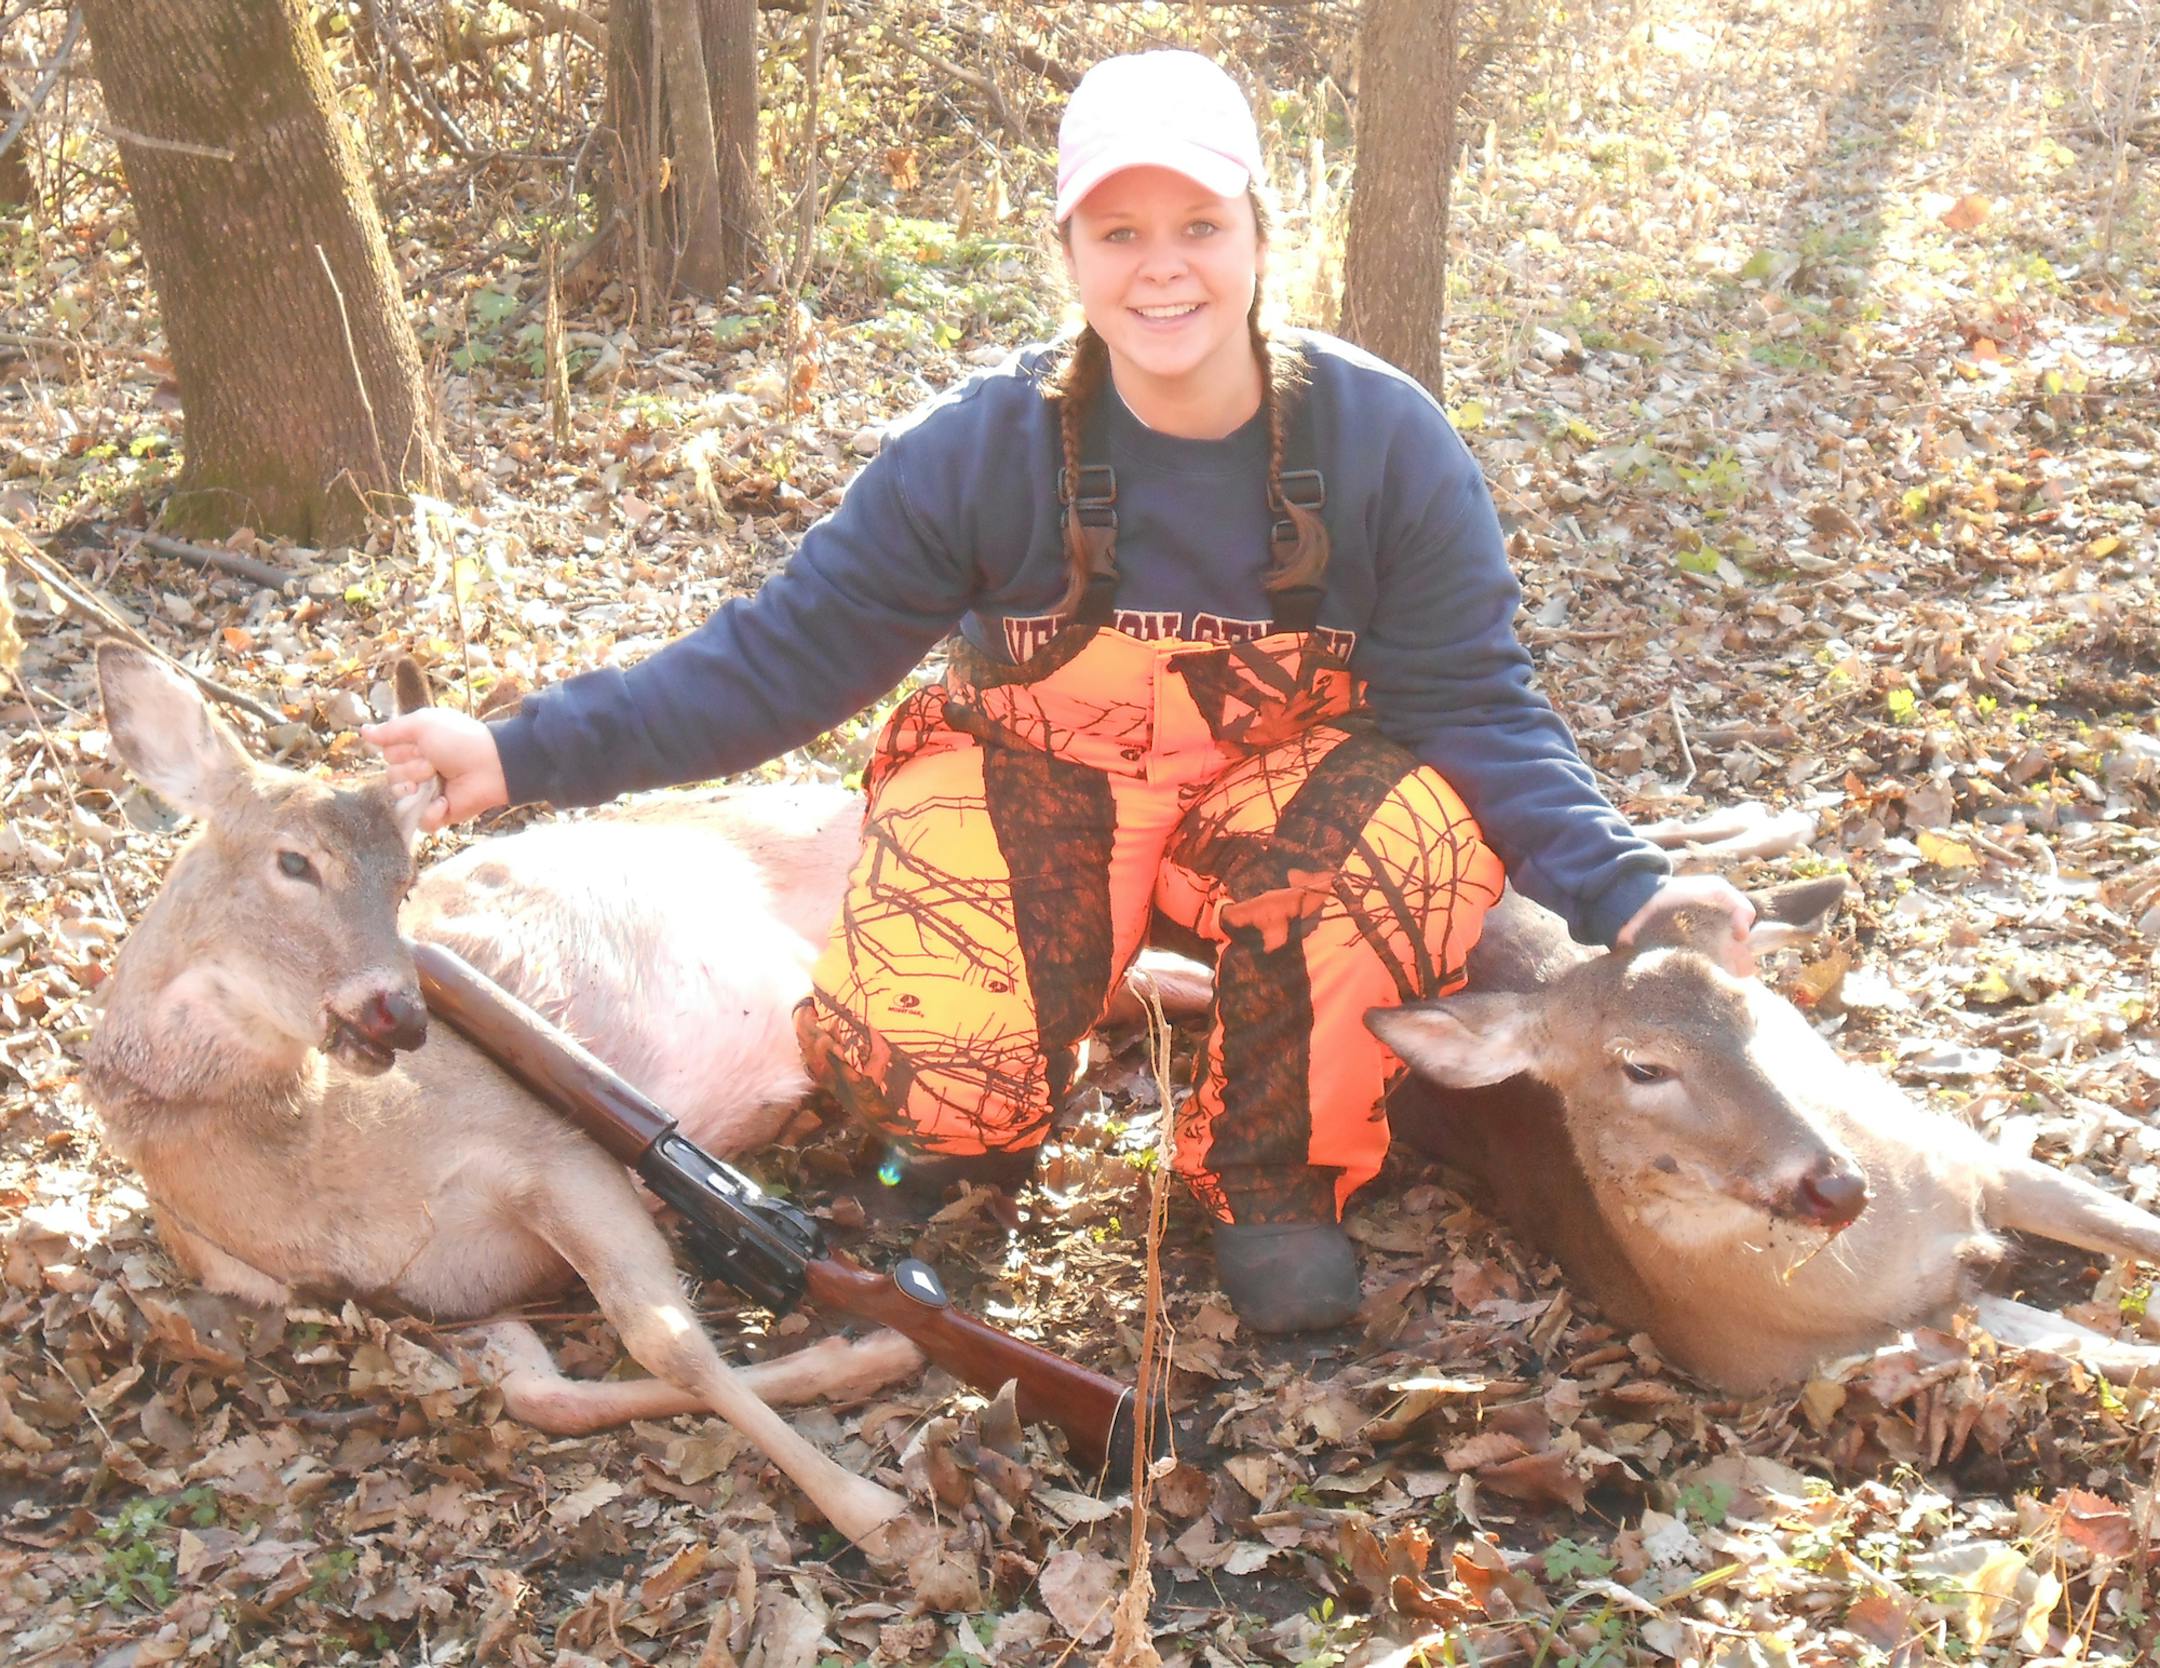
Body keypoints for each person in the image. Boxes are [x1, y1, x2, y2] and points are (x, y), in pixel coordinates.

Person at [368, 49, 1751, 1334]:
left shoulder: (1386, 443)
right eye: (1121, 234)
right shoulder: (984, 452)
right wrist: (516, 751)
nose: (1165, 271)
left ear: (1263, 240)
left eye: (1201, 227)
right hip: (1049, 802)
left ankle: (1274, 1181)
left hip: (1276, 812)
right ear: (1072, 255)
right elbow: (780, 661)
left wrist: (1629, 890)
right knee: (941, 957)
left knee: (1410, 839)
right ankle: (964, 1145)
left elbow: (1478, 706)